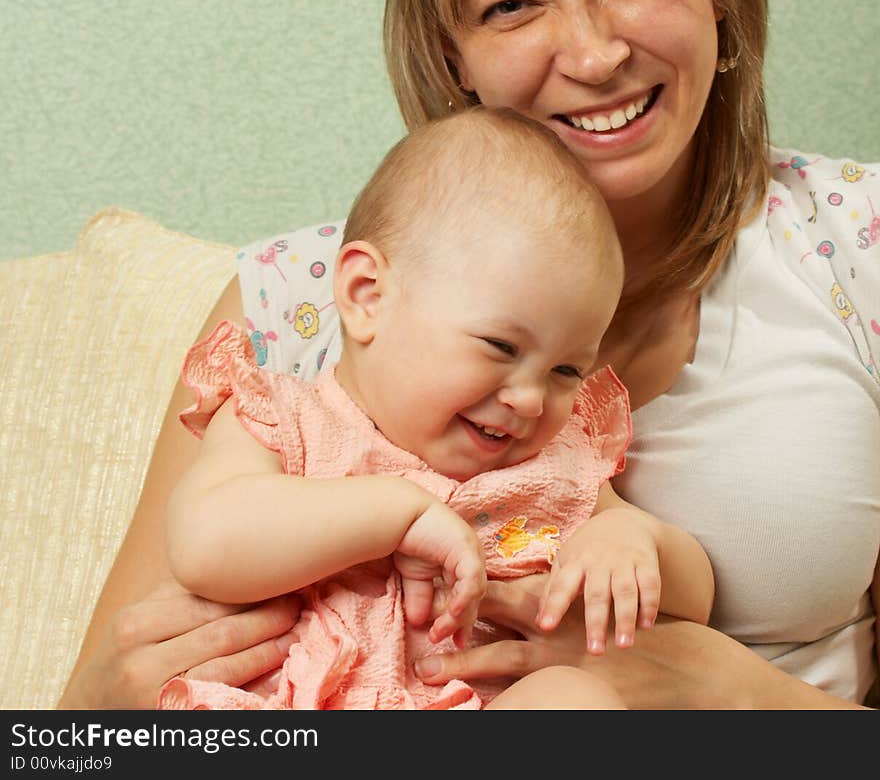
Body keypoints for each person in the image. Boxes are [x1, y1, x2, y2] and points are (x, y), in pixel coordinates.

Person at [58, 0, 880, 712]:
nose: (589, 52)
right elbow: (75, 732)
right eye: (512, 5)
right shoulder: (293, 314)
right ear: (452, 56)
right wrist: (106, 704)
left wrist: (742, 704)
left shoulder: (850, 244)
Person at [157, 106, 714, 711]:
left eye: (566, 370)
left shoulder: (552, 472)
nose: (530, 398)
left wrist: (630, 536)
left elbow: (698, 599)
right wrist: (397, 514)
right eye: (501, 347)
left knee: (573, 700)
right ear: (367, 296)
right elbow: (203, 544)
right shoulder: (284, 422)